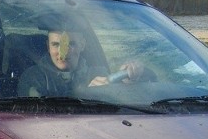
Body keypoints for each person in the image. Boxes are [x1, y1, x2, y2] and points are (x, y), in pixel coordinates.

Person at [17, 24, 145, 98]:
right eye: (56, 44)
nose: (63, 52)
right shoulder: (32, 77)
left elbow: (121, 106)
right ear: (47, 47)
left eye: (71, 44)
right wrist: (87, 94)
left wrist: (126, 81)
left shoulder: (99, 73)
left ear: (83, 45)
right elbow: (37, 117)